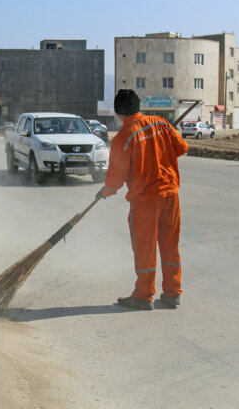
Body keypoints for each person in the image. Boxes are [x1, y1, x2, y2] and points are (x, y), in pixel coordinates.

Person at [98, 89, 188, 311]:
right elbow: (182, 148)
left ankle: (143, 296)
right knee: (169, 244)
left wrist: (106, 191)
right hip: (170, 194)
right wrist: (158, 154)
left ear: (118, 112)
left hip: (146, 200)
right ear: (138, 106)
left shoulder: (123, 138)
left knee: (145, 248)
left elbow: (116, 177)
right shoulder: (162, 123)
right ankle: (172, 293)